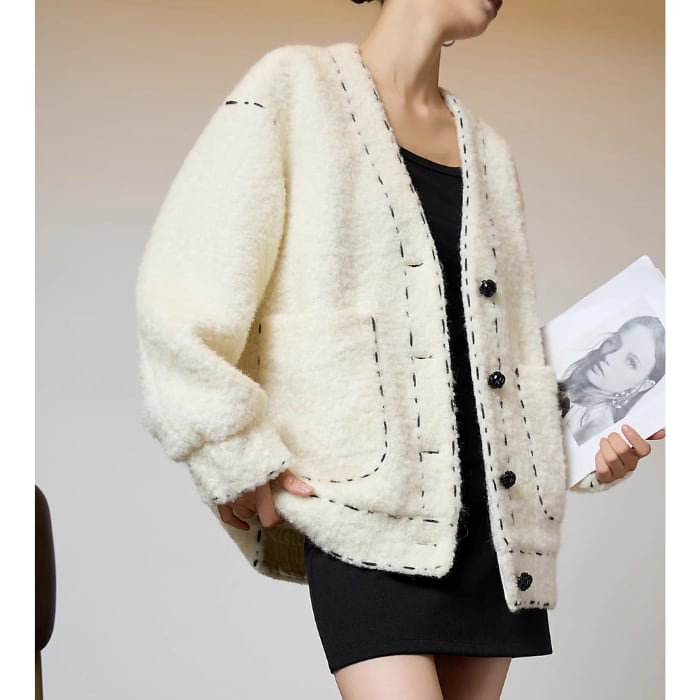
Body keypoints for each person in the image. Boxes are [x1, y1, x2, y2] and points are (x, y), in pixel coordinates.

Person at [135, 1, 665, 698]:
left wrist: (590, 448)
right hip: (369, 512)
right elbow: (180, 297)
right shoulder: (292, 90)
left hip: (498, 533)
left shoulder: (488, 151)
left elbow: (502, 360)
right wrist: (232, 451)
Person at [558, 315, 666, 445]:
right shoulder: (565, 387)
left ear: (644, 385)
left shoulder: (594, 430)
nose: (609, 357)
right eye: (615, 342)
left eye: (631, 362)